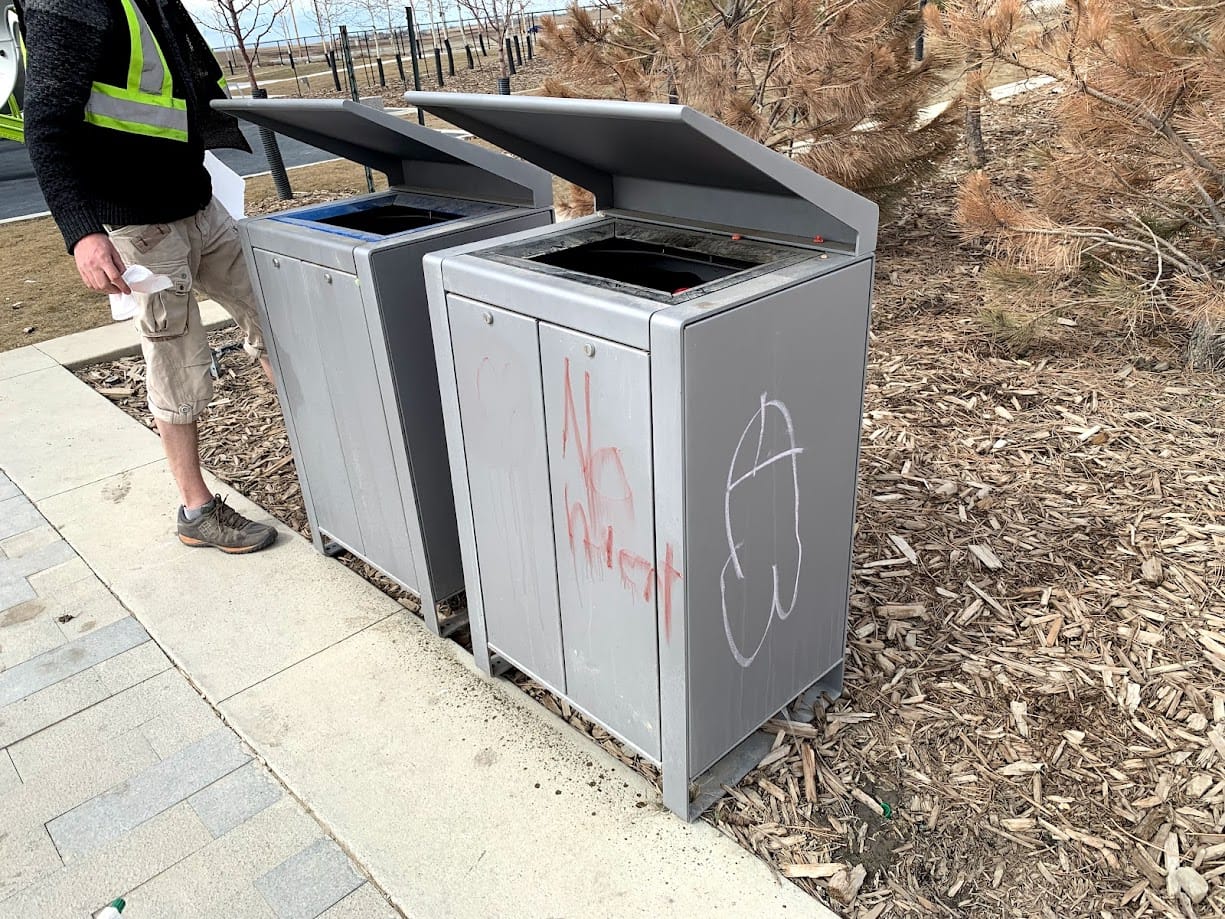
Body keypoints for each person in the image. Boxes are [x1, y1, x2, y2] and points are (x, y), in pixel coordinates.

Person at [16, 0, 277, 553]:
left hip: (202, 207)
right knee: (176, 361)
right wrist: (83, 233)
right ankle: (196, 510)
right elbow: (46, 123)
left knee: (277, 317)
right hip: (142, 229)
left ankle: (324, 450)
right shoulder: (69, 5)